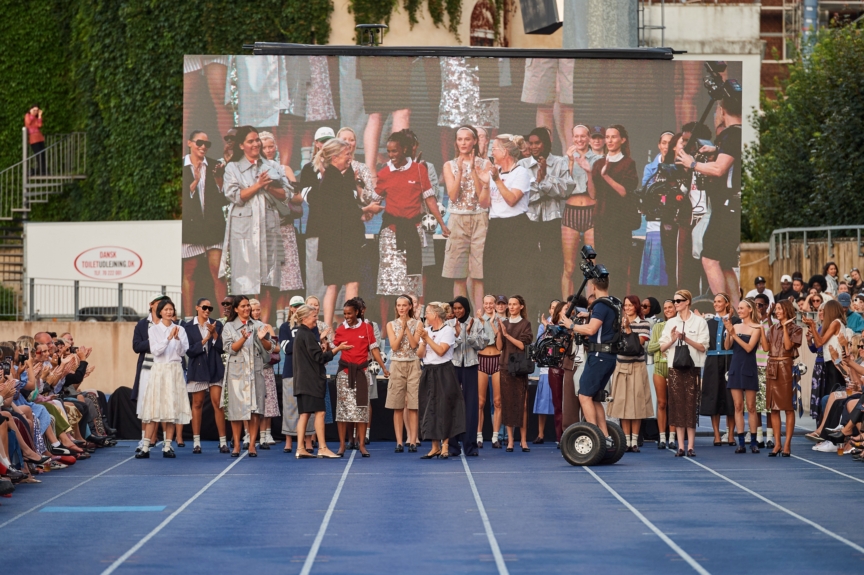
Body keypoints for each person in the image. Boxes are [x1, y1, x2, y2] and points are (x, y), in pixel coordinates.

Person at [219, 126, 293, 319]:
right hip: (243, 229)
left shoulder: (272, 166)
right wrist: (258, 185)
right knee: (246, 282)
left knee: (268, 281)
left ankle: (264, 326)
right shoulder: (233, 167)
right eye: (250, 141)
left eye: (257, 140)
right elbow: (234, 196)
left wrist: (269, 187)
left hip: (269, 226)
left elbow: (287, 194)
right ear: (242, 145)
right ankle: (245, 326)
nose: (255, 144)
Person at [677, 90, 742, 305]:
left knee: (708, 257)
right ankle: (734, 310)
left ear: (722, 111)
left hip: (728, 207)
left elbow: (719, 169)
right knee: (724, 262)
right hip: (733, 205)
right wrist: (716, 148)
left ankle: (721, 310)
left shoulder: (731, 134)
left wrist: (691, 163)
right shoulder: (740, 134)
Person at [371, 132, 447, 305]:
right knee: (390, 284)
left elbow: (430, 198)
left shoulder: (420, 170)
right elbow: (373, 201)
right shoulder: (384, 173)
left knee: (412, 283)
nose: (391, 155)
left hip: (414, 231)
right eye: (388, 151)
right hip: (391, 233)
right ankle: (391, 329)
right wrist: (366, 209)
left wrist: (442, 224)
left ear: (404, 149)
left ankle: (413, 326)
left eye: (394, 151)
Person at [302, 138, 365, 328]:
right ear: (335, 156)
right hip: (343, 240)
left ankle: (328, 328)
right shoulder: (336, 177)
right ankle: (351, 326)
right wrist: (366, 209)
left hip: (331, 241)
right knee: (351, 282)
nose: (350, 158)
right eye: (347, 155)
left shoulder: (330, 176)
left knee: (333, 286)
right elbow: (345, 210)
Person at [558, 274, 617, 445]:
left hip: (598, 356)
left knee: (584, 395)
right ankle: (605, 437)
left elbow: (592, 330)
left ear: (593, 287)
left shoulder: (600, 305)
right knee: (594, 397)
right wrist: (588, 315)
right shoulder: (614, 303)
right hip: (609, 356)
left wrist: (570, 325)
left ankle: (594, 436)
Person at [442, 126, 492, 311]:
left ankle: (480, 317)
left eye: (467, 139)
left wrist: (472, 170)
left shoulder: (485, 164)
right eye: (460, 139)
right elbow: (453, 196)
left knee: (478, 274)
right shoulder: (449, 165)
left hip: (479, 218)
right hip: (457, 219)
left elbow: (482, 197)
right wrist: (461, 172)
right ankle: (460, 318)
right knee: (459, 274)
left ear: (475, 141)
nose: (463, 143)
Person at [519, 127, 571, 305]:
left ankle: (552, 307)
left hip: (553, 220)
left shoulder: (560, 162)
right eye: (531, 143)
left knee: (552, 265)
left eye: (537, 143)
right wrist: (546, 187)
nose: (533, 147)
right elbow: (523, 195)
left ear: (546, 143)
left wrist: (543, 181)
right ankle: (532, 305)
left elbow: (566, 189)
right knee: (530, 265)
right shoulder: (522, 165)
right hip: (529, 220)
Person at [292, 304, 350, 459]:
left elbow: (313, 355)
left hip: (302, 381)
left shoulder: (301, 334)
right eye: (314, 317)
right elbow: (319, 358)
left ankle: (300, 448)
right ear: (304, 318)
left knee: (304, 414)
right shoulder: (307, 334)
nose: (316, 319)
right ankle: (322, 447)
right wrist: (337, 349)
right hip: (311, 381)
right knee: (320, 412)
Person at [332, 299, 388, 457]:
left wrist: (384, 368)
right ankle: (342, 445)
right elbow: (334, 347)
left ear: (357, 312)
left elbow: (374, 349)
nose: (347, 316)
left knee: (362, 410)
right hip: (344, 374)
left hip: (362, 373)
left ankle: (362, 445)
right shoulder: (341, 329)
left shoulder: (367, 328)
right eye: (344, 314)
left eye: (349, 313)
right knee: (342, 411)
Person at [182, 130, 228, 317]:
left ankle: (226, 318)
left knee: (218, 272)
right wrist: (195, 182)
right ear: (189, 143)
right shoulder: (182, 168)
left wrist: (218, 180)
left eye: (206, 144)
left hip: (213, 227)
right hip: (191, 228)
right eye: (199, 143)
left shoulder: (216, 166)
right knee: (189, 272)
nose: (203, 147)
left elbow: (224, 197)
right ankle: (188, 318)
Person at [136, 300, 191, 459]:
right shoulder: (153, 330)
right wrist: (168, 338)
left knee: (171, 410)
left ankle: (168, 446)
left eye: (171, 309)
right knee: (154, 409)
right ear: (160, 312)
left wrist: (177, 339)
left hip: (174, 370)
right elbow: (156, 351)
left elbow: (182, 352)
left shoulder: (180, 329)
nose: (168, 312)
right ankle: (145, 447)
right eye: (166, 309)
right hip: (159, 370)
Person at [221, 295, 274, 457]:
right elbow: (230, 349)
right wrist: (243, 338)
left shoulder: (258, 325)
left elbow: (270, 348)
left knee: (255, 410)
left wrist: (262, 338)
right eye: (243, 306)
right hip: (236, 373)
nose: (246, 309)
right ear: (236, 309)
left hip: (255, 371)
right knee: (236, 411)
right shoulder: (229, 327)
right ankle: (237, 444)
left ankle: (252, 444)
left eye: (248, 306)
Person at [659, 290, 709, 457]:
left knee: (690, 405)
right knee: (677, 406)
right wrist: (673, 338)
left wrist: (686, 338)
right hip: (675, 368)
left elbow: (703, 347)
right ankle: (681, 446)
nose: (676, 303)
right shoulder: (670, 322)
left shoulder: (700, 322)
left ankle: (691, 446)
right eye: (675, 300)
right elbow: (661, 348)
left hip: (693, 367)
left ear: (688, 301)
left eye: (679, 300)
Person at [483, 135, 532, 297]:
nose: (492, 152)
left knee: (513, 273)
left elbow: (511, 200)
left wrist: (497, 180)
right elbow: (484, 202)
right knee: (493, 272)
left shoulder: (521, 173)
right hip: (496, 226)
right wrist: (481, 180)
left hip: (515, 227)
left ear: (505, 152)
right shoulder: (495, 172)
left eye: (494, 149)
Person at [592, 125, 639, 294]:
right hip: (602, 222)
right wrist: (588, 171)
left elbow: (624, 191)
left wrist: (606, 176)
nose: (609, 140)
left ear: (622, 140)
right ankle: (602, 301)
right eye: (608, 137)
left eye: (613, 137)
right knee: (603, 265)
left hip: (620, 223)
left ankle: (618, 304)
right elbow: (593, 193)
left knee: (619, 266)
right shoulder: (598, 163)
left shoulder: (628, 163)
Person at [259, 131, 304, 305]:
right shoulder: (252, 171)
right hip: (264, 229)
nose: (268, 150)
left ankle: (284, 319)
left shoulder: (285, 169)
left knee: (288, 279)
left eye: (271, 146)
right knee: (268, 280)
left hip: (285, 226)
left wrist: (282, 192)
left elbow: (298, 198)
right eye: (265, 147)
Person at [417, 302, 465, 459]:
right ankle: (434, 446)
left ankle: (445, 445)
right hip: (429, 371)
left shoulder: (447, 331)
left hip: (444, 371)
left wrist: (427, 339)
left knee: (445, 407)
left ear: (435, 315)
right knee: (429, 408)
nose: (426, 316)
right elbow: (420, 354)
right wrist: (424, 341)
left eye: (428, 313)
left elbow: (441, 351)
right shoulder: (427, 331)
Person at [562, 125, 602, 300]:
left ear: (588, 138)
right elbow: (564, 190)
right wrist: (570, 162)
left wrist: (588, 170)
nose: (579, 140)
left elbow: (595, 193)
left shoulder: (598, 158)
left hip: (591, 212)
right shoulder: (565, 159)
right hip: (571, 212)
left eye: (583, 136)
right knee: (569, 266)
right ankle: (565, 308)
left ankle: (592, 306)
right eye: (576, 136)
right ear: (572, 138)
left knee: (591, 264)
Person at [609, 295, 653, 452]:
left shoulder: (644, 324)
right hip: (620, 366)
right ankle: (625, 441)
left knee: (637, 404)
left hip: (637, 367)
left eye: (630, 305)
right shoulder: (617, 325)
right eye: (625, 305)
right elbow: (616, 346)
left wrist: (628, 329)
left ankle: (634, 441)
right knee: (622, 404)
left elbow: (636, 347)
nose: (627, 308)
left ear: (636, 306)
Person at [183, 298, 227, 454]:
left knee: (217, 403)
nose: (207, 310)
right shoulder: (187, 326)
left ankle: (223, 442)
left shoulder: (217, 324)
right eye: (204, 307)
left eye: (210, 308)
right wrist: (205, 339)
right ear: (197, 308)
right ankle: (196, 442)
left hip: (214, 367)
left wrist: (214, 333)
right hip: (198, 368)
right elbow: (189, 351)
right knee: (197, 403)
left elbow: (222, 348)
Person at [449, 295, 491, 456]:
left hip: (471, 366)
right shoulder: (449, 324)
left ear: (466, 308)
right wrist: (459, 335)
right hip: (453, 366)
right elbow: (448, 346)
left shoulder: (475, 323)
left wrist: (468, 334)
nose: (458, 311)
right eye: (455, 308)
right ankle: (452, 445)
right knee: (452, 404)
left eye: (460, 308)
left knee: (471, 406)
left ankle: (470, 445)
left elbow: (482, 343)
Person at [762, 299, 803, 456]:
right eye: (776, 309)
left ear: (786, 310)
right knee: (773, 408)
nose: (777, 311)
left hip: (786, 368)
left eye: (779, 309)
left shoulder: (796, 328)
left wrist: (785, 327)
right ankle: (777, 444)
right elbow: (766, 348)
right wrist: (765, 324)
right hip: (772, 367)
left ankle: (787, 445)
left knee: (787, 408)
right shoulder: (772, 328)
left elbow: (787, 347)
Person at [724, 299, 765, 454]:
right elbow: (727, 346)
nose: (739, 310)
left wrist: (734, 334)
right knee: (738, 406)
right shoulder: (735, 326)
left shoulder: (757, 327)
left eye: (742, 308)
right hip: (735, 367)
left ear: (750, 309)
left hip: (749, 367)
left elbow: (749, 348)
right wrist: (729, 331)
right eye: (738, 308)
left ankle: (753, 441)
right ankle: (740, 442)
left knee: (752, 407)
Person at [131, 294, 170, 450]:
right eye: (159, 303)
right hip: (147, 369)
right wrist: (156, 341)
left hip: (166, 370)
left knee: (166, 405)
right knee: (144, 405)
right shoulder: (142, 325)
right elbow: (136, 346)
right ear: (152, 305)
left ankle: (167, 442)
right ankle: (144, 440)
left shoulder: (170, 324)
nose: (163, 307)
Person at [700, 293, 740, 446]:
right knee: (713, 397)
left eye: (719, 301)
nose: (716, 304)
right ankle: (716, 434)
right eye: (714, 301)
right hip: (712, 361)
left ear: (727, 303)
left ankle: (730, 434)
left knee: (731, 398)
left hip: (730, 360)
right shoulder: (708, 322)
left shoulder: (735, 321)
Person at [496, 295, 533, 452]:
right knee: (508, 404)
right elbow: (499, 347)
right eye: (509, 304)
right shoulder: (503, 323)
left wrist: (507, 335)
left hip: (520, 367)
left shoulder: (525, 324)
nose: (511, 307)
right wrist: (499, 332)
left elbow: (523, 345)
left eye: (514, 304)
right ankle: (510, 440)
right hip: (505, 367)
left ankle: (523, 440)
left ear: (521, 307)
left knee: (522, 405)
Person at [385, 295, 422, 452]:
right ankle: (399, 441)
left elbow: (414, 345)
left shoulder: (419, 323)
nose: (401, 308)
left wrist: (407, 327)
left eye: (404, 305)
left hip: (413, 364)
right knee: (397, 405)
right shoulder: (391, 324)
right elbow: (394, 346)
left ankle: (413, 440)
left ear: (410, 307)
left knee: (413, 405)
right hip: (397, 365)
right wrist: (401, 330)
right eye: (398, 305)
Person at [280, 296, 315, 454]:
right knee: (290, 407)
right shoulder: (284, 327)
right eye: (295, 306)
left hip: (308, 371)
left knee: (307, 407)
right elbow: (287, 349)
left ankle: (308, 439)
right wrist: (303, 342)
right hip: (290, 370)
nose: (297, 308)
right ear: (291, 308)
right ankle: (289, 439)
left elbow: (315, 347)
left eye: (301, 305)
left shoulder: (312, 327)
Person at [250, 299, 280, 449]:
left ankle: (267, 433)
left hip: (266, 368)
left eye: (258, 309)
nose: (256, 312)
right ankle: (250, 434)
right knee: (252, 404)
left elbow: (277, 348)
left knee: (268, 403)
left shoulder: (267, 327)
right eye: (253, 310)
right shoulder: (245, 327)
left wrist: (264, 342)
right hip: (250, 370)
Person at [647, 299, 676, 448]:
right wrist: (666, 341)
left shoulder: (680, 326)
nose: (667, 310)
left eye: (670, 307)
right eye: (665, 308)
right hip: (659, 366)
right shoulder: (658, 326)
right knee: (662, 403)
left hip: (674, 367)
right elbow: (650, 348)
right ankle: (662, 437)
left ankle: (672, 437)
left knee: (673, 403)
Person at [477, 295, 503, 448]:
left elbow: (500, 346)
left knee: (498, 402)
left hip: (497, 360)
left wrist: (493, 324)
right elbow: (478, 343)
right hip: (482, 360)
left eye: (491, 303)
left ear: (494, 304)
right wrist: (482, 321)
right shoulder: (477, 320)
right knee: (480, 402)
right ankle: (479, 435)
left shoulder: (501, 320)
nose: (488, 306)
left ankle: (495, 437)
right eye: (486, 303)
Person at [533, 300, 560, 444]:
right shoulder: (542, 325)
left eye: (557, 308)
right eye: (552, 307)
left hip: (559, 366)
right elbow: (539, 344)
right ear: (549, 310)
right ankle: (540, 434)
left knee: (559, 401)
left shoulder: (563, 324)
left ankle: (559, 435)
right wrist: (545, 327)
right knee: (543, 402)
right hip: (545, 367)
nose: (554, 310)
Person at [25, 105, 45, 175]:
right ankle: (41, 170)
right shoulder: (28, 115)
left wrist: (39, 115)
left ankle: (43, 170)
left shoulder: (36, 118)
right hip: (33, 138)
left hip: (39, 137)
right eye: (34, 110)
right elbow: (28, 122)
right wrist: (32, 114)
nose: (35, 112)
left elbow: (39, 125)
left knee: (42, 154)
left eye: (37, 110)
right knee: (38, 154)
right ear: (30, 110)